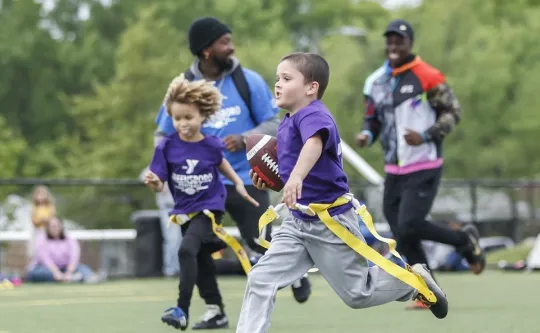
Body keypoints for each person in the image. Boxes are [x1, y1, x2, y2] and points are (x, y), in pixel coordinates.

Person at [236, 52, 449, 333]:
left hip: (331, 223)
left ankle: (414, 281)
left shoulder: (314, 114)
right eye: (277, 78)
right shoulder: (287, 120)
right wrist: (273, 181)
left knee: (358, 294)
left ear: (311, 87)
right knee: (261, 277)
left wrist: (296, 176)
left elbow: (314, 143)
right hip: (298, 222)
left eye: (286, 78)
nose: (278, 84)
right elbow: (292, 172)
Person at [154, 16, 311, 305]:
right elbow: (163, 134)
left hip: (246, 178)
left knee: (258, 241)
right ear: (205, 51)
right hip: (200, 185)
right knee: (195, 248)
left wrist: (245, 138)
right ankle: (215, 309)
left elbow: (276, 122)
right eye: (224, 42)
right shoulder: (184, 86)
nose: (231, 47)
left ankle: (295, 274)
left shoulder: (246, 80)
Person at [355, 19, 486, 309]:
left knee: (410, 224)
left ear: (410, 44)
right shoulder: (375, 81)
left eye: (399, 41)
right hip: (393, 169)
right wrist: (367, 134)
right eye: (389, 40)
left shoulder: (427, 76)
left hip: (424, 164)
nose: (393, 46)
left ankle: (463, 239)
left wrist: (426, 135)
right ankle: (429, 291)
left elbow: (453, 112)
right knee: (401, 233)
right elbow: (372, 119)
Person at [145, 74, 260, 331]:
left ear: (202, 116)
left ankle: (181, 309)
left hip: (209, 209)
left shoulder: (210, 144)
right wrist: (154, 182)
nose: (183, 124)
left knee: (186, 250)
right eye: (177, 119)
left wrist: (240, 185)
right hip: (185, 211)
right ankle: (216, 309)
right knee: (200, 259)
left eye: (189, 118)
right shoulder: (166, 146)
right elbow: (160, 181)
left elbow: (223, 164)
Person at [25, 217, 103, 284]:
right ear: (48, 228)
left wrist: (69, 272)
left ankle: (88, 277)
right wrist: (56, 272)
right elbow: (45, 259)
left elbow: (74, 257)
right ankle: (74, 279)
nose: (55, 228)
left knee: (82, 268)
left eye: (57, 226)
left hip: (66, 268)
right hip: (47, 268)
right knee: (35, 273)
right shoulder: (42, 240)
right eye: (52, 226)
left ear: (61, 226)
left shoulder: (69, 239)